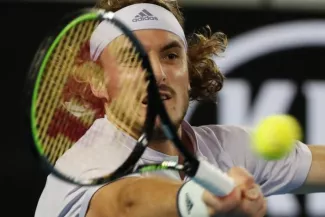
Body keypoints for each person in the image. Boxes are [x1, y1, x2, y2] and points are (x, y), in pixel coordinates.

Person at [34, 0, 325, 217]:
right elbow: (124, 203)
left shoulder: (229, 148)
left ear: (189, 74)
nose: (157, 72)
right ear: (99, 82)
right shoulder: (83, 166)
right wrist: (195, 197)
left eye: (171, 55)